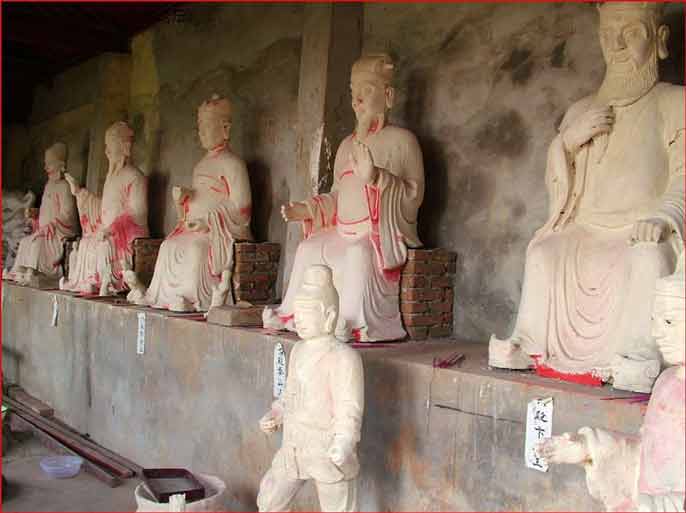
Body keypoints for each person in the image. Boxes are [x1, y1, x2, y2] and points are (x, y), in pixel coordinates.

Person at [489, 2, 684, 392]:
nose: (617, 45)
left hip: (640, 231)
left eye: (631, 33)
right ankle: (529, 343)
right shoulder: (581, 110)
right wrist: (567, 143)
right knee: (543, 252)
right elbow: (563, 192)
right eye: (608, 34)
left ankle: (636, 354)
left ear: (659, 40)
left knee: (649, 258)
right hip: (586, 229)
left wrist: (663, 216)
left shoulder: (674, 103)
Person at [263, 53, 425, 342]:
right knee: (309, 248)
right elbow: (337, 194)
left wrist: (377, 178)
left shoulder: (402, 142)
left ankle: (349, 320)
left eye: (367, 90)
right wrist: (309, 209)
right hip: (342, 230)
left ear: (388, 96)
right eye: (353, 92)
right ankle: (294, 313)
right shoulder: (345, 146)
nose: (357, 100)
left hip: (373, 233)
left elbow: (414, 194)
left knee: (357, 254)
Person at [538, 253, 685, 512]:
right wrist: (590, 449)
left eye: (669, 321)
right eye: (654, 321)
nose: (656, 333)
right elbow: (644, 459)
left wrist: (656, 506)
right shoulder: (667, 383)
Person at [125, 95, 253, 311]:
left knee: (195, 249)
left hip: (218, 232)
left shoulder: (234, 164)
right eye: (199, 126)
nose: (201, 132)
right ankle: (159, 296)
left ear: (225, 129)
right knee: (167, 246)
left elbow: (242, 207)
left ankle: (192, 298)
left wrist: (208, 221)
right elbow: (194, 204)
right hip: (195, 228)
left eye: (206, 126)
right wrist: (184, 199)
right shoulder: (200, 166)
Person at [257, 265, 364, 512]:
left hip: (326, 446)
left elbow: (349, 408)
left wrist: (344, 441)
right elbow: (290, 394)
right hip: (294, 444)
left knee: (337, 508)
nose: (299, 320)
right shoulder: (298, 350)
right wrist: (276, 414)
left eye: (307, 313)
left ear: (329, 316)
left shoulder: (344, 357)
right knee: (269, 500)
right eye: (298, 312)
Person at [60, 121, 149, 295]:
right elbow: (103, 206)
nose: (106, 151)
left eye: (110, 145)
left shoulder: (135, 176)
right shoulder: (111, 177)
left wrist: (113, 228)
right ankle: (86, 281)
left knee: (103, 246)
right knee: (86, 243)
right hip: (108, 231)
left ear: (124, 146)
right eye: (106, 146)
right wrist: (80, 193)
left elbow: (138, 212)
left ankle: (106, 282)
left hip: (127, 234)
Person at [5, 143, 77, 287]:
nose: (46, 168)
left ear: (60, 164)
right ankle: (19, 271)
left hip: (57, 233)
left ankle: (34, 271)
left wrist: (52, 225)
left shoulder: (64, 186)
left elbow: (68, 214)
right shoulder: (48, 186)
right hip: (44, 231)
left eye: (49, 164)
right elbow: (47, 212)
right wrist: (35, 214)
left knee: (37, 243)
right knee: (26, 241)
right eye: (46, 164)